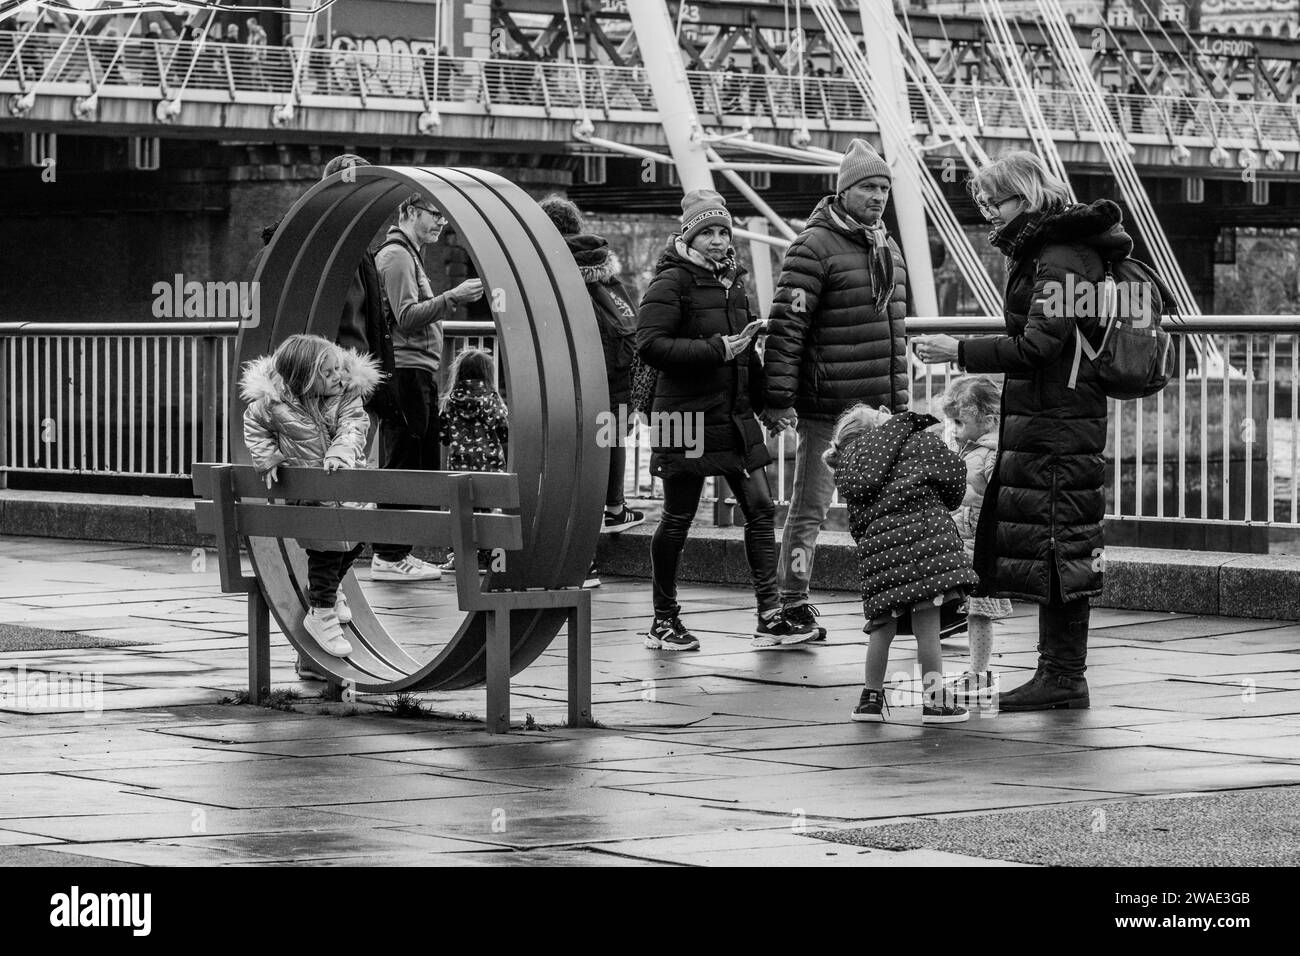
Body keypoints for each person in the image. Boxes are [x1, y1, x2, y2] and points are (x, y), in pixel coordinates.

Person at [914, 150, 1128, 711]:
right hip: (1053, 412)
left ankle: (1062, 677)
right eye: (981, 202)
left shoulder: (1058, 255)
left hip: (1059, 418)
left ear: (1026, 195)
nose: (987, 211)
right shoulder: (1052, 249)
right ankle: (1057, 674)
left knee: (1059, 543)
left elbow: (1040, 344)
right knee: (1053, 539)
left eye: (995, 200)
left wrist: (956, 351)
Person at [636, 189, 817, 651]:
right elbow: (651, 345)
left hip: (733, 415)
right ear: (690, 236)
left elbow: (746, 353)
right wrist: (717, 348)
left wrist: (770, 405)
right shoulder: (670, 283)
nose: (718, 241)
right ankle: (663, 619)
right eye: (708, 232)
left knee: (760, 507)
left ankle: (770, 614)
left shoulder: (734, 281)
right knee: (677, 517)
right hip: (684, 416)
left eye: (723, 231)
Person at [762, 138, 909, 641]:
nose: (878, 196)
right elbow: (787, 328)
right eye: (869, 186)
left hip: (880, 409)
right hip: (830, 408)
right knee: (811, 509)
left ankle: (903, 597)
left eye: (885, 188)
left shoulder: (884, 245)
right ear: (844, 190)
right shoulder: (814, 246)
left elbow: (892, 334)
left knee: (894, 508)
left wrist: (899, 403)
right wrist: (779, 399)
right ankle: (790, 601)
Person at [826, 405, 978, 724]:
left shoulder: (850, 466)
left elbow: (857, 523)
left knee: (881, 630)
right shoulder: (916, 441)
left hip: (881, 556)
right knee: (928, 631)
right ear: (882, 423)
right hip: (926, 548)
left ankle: (869, 701)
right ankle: (935, 702)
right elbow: (953, 477)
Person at [241, 335, 380, 659]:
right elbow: (253, 423)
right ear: (304, 378)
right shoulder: (274, 404)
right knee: (325, 555)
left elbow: (354, 426)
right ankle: (320, 614)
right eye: (328, 372)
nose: (338, 377)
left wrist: (341, 452)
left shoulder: (346, 396)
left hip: (347, 488)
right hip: (310, 498)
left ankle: (330, 591)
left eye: (337, 369)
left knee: (356, 543)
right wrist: (269, 457)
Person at [371, 193, 484, 581]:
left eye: (442, 216)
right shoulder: (398, 256)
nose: (441, 223)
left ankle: (399, 551)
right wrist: (452, 297)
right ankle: (387, 555)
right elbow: (405, 317)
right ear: (408, 212)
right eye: (434, 215)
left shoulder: (408, 254)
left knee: (417, 460)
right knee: (403, 461)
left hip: (416, 371)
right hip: (405, 372)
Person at [540, 196, 645, 588]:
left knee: (566, 476)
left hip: (570, 386)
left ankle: (578, 567)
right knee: (602, 454)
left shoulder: (547, 267)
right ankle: (614, 508)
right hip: (613, 383)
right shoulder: (603, 267)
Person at [938, 376, 1014, 703]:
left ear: (988, 418)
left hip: (980, 545)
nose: (954, 428)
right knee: (972, 611)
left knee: (979, 612)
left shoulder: (992, 454)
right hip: (965, 541)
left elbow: (995, 496)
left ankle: (979, 673)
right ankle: (976, 671)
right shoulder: (967, 448)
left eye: (960, 421)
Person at [438, 347, 508, 575]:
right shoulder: (490, 398)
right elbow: (504, 428)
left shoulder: (450, 401)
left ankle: (459, 556)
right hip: (489, 467)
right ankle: (487, 557)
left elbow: (442, 434)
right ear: (487, 373)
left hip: (459, 467)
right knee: (488, 509)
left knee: (461, 510)